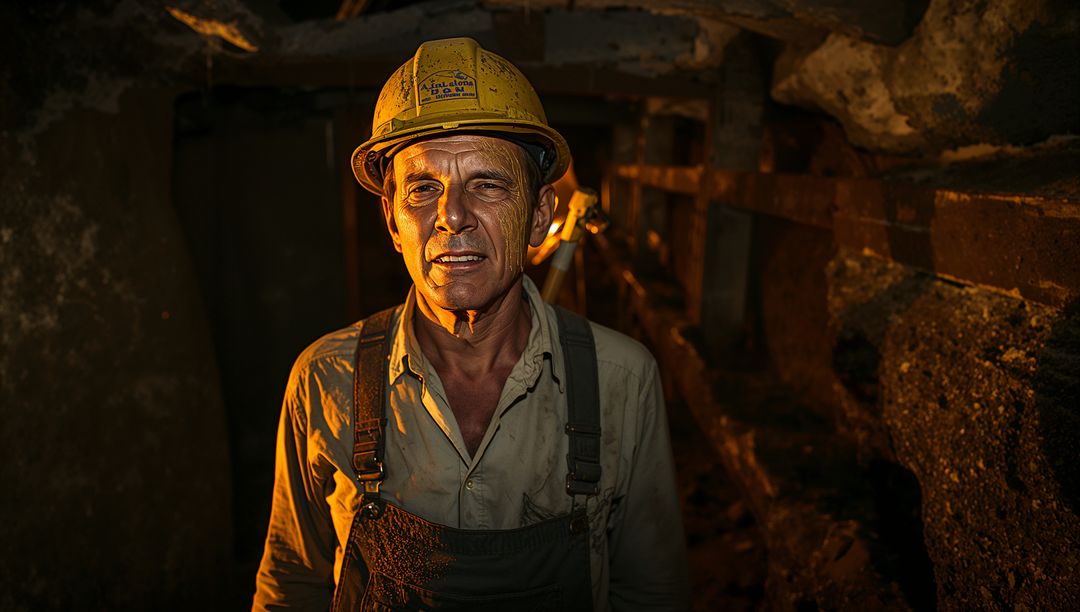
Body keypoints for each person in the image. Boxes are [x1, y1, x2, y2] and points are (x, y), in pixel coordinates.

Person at [253, 37, 690, 611]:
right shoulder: (325, 380)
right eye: (423, 189)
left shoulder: (620, 381)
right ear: (392, 220)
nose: (452, 216)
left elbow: (652, 594)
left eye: (487, 185)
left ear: (538, 217)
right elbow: (292, 587)